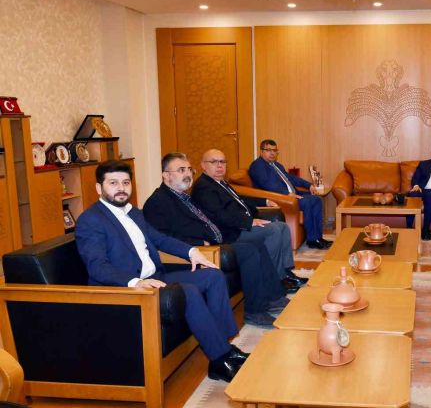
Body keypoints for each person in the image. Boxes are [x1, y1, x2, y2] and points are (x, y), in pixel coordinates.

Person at [75, 160, 248, 382]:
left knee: (213, 275)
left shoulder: (134, 213)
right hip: (127, 291)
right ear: (99, 188)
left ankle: (223, 349)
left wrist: (191, 252)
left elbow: (160, 239)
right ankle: (221, 359)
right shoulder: (90, 220)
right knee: (188, 291)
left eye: (126, 182)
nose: (121, 188)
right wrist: (135, 282)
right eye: (113, 183)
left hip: (156, 278)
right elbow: (97, 267)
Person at [143, 152, 289, 327]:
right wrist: (198, 243)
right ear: (166, 175)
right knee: (249, 251)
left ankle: (273, 297)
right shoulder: (157, 202)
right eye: (181, 170)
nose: (187, 174)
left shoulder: (184, 197)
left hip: (215, 243)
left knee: (256, 245)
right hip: (198, 252)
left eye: (189, 169)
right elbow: (161, 238)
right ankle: (255, 311)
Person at [191, 149, 307, 290]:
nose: (219, 165)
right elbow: (219, 216)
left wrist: (264, 201)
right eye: (214, 162)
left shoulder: (219, 182)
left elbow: (239, 199)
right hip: (229, 233)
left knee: (282, 227)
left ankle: (285, 272)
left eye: (222, 162)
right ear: (203, 165)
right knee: (274, 230)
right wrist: (249, 222)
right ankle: (276, 280)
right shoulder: (204, 187)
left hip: (237, 227)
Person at [248, 139, 332, 250]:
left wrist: (309, 185)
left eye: (274, 150)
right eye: (268, 150)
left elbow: (291, 178)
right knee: (308, 202)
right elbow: (267, 184)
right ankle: (312, 240)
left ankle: (318, 237)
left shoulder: (277, 165)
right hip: (280, 198)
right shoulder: (258, 165)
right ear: (261, 151)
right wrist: (287, 194)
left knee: (316, 199)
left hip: (291, 195)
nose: (272, 153)